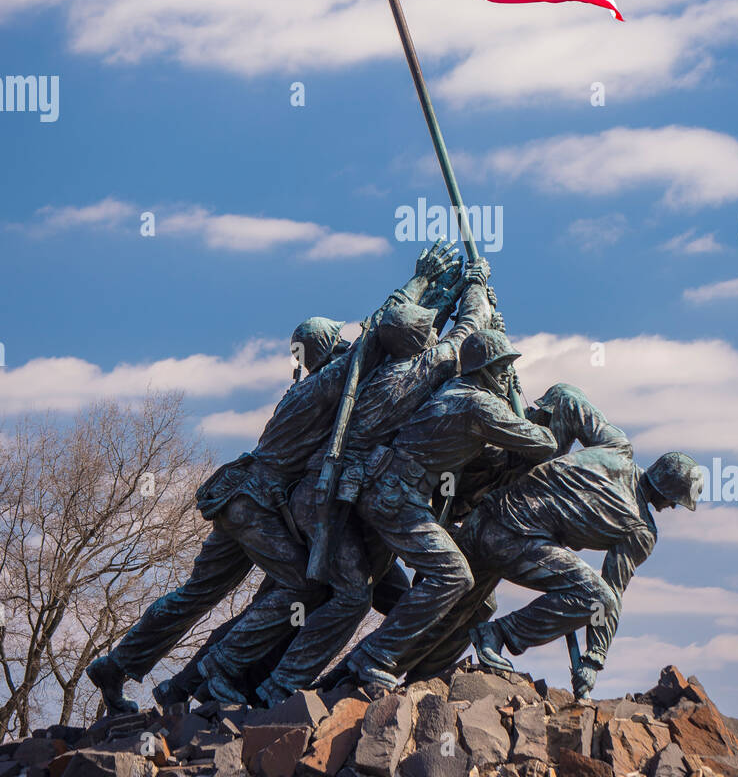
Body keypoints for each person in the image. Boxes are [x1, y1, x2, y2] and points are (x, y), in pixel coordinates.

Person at [86, 243, 456, 714]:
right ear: (327, 348)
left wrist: (437, 301)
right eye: (336, 341)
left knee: (195, 595)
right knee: (302, 588)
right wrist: (422, 282)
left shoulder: (307, 389)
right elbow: (376, 338)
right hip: (256, 507)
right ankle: (219, 669)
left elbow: (380, 352)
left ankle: (118, 665)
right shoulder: (322, 387)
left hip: (245, 502)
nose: (345, 346)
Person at [403, 384, 701, 699]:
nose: (672, 507)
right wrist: (594, 659)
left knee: (455, 612)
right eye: (676, 500)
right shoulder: (641, 530)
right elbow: (609, 594)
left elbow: (568, 399)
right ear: (668, 491)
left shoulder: (617, 446)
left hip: (488, 518)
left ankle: (390, 676)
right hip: (514, 540)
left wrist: (542, 445)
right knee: (593, 595)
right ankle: (498, 634)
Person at [343, 329, 558, 691]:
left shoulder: (456, 395)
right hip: (395, 498)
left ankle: (424, 671)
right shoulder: (479, 404)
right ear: (485, 369)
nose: (507, 375)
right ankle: (374, 657)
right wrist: (515, 402)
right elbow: (543, 443)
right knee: (455, 576)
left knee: (481, 601)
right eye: (502, 367)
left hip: (391, 491)